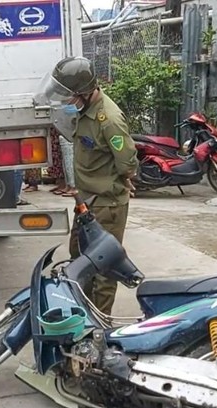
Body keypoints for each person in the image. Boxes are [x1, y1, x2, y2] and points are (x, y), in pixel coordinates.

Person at [39, 56, 139, 316]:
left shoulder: (110, 120)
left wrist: (122, 178)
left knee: (104, 269)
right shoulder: (83, 110)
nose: (65, 100)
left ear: (83, 93)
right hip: (87, 202)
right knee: (79, 259)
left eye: (69, 95)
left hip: (107, 204)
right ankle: (81, 313)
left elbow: (127, 163)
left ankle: (99, 325)